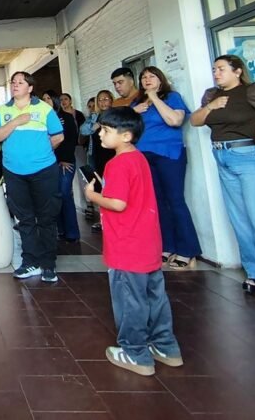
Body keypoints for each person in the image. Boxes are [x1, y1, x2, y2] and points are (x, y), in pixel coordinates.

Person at [190, 55, 255, 304]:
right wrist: (210, 107)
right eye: (214, 69)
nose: (216, 73)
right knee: (239, 220)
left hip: (251, 155)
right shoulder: (211, 95)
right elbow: (195, 120)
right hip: (223, 156)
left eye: (222, 69)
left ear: (238, 71)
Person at [84, 107, 183, 377]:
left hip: (126, 244)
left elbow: (117, 203)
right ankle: (165, 347)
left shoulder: (116, 163)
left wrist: (92, 196)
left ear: (126, 135)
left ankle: (135, 352)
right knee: (155, 297)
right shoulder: (139, 159)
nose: (100, 134)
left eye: (106, 130)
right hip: (148, 242)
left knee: (130, 300)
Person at [0, 73, 64, 283]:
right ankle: (30, 261)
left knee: (46, 218)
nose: (15, 86)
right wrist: (16, 121)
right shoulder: (4, 110)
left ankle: (48, 264)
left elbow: (58, 136)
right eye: (13, 83)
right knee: (24, 219)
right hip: (13, 172)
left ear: (30, 88)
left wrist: (40, 152)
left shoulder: (43, 108)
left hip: (44, 171)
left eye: (20, 83)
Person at [132, 67, 201, 270]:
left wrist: (155, 98)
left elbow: (175, 120)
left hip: (169, 154)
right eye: (143, 77)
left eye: (151, 76)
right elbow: (125, 127)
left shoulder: (172, 97)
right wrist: (133, 111)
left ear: (160, 80)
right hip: (144, 156)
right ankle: (167, 246)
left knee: (175, 200)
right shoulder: (137, 103)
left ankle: (188, 250)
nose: (147, 80)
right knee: (157, 202)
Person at [44, 90, 81, 242]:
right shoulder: (43, 118)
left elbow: (71, 139)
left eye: (48, 98)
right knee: (54, 195)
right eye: (43, 98)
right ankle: (60, 229)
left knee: (65, 193)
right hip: (49, 162)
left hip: (65, 162)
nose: (45, 100)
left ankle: (72, 232)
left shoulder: (65, 117)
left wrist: (65, 158)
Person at [82, 91, 116, 233]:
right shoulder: (94, 116)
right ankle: (103, 220)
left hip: (113, 154)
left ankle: (114, 220)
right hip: (96, 154)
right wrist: (93, 125)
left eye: (106, 99)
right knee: (101, 187)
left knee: (114, 188)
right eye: (100, 100)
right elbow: (83, 130)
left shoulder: (115, 115)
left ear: (111, 100)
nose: (103, 102)